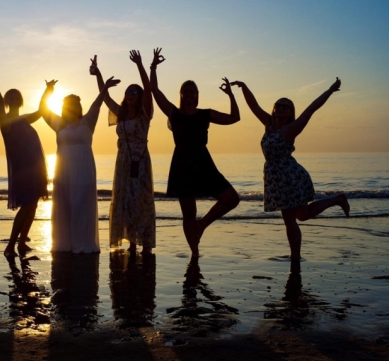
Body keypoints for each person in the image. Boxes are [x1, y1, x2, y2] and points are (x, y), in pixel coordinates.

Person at [232, 78, 349, 260]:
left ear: (290, 113)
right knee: (302, 215)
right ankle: (337, 199)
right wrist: (244, 87)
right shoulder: (268, 125)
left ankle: (295, 257)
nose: (281, 108)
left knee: (291, 219)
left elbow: (311, 109)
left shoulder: (291, 129)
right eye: (279, 105)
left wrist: (330, 90)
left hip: (288, 176)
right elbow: (253, 106)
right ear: (274, 108)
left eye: (286, 107)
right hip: (274, 176)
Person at [149, 48, 240, 257]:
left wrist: (231, 95)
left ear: (197, 96)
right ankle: (195, 254)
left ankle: (202, 225)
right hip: (182, 165)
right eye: (185, 92)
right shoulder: (174, 113)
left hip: (203, 163)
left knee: (232, 198)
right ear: (181, 95)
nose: (188, 95)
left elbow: (235, 117)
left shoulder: (205, 114)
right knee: (189, 213)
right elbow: (154, 90)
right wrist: (153, 66)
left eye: (192, 92)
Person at [39, 73, 120, 253]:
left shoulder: (87, 122)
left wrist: (104, 87)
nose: (72, 108)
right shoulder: (58, 123)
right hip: (63, 174)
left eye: (75, 105)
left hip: (84, 173)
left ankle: (83, 244)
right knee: (65, 207)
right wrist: (48, 90)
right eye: (68, 105)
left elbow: (97, 104)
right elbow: (43, 109)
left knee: (81, 206)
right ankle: (65, 245)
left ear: (79, 107)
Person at [92, 52, 156, 254]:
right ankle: (132, 242)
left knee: (141, 200)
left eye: (134, 92)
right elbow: (105, 98)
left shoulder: (145, 113)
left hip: (140, 161)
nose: (130, 94)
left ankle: (145, 243)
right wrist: (98, 75)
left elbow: (148, 89)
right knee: (125, 199)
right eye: (128, 91)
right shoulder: (120, 113)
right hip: (122, 163)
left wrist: (140, 64)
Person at [0, 59, 48, 257]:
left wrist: (47, 92)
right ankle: (10, 245)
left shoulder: (24, 118)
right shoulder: (4, 120)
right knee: (27, 205)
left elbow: (41, 111)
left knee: (34, 204)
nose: (13, 100)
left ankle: (22, 242)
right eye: (10, 98)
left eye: (16, 97)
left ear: (20, 101)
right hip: (21, 169)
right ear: (6, 101)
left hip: (35, 166)